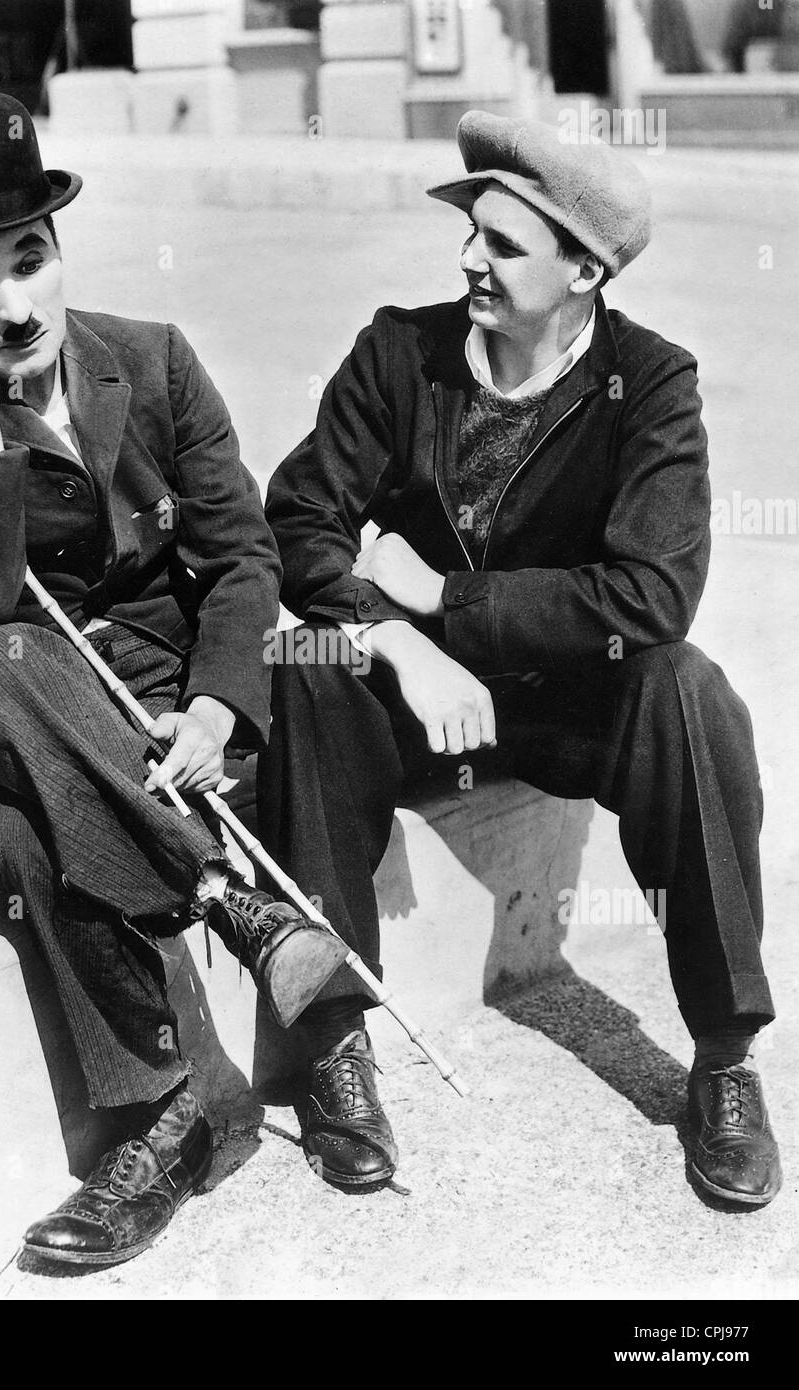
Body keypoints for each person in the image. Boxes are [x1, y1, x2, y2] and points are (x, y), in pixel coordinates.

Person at [0, 90, 347, 1269]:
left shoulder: (154, 361)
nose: (17, 305)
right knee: (1, 656)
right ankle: (229, 897)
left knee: (39, 833)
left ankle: (164, 1120)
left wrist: (216, 702)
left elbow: (243, 555)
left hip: (147, 714)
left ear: (59, 246)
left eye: (30, 260)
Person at [259, 110, 782, 1207]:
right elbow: (298, 517)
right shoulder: (399, 354)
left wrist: (447, 597)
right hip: (414, 707)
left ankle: (725, 1057)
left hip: (562, 706)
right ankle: (336, 1044)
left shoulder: (651, 384)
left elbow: (652, 595)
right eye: (470, 233)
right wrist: (399, 639)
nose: (468, 260)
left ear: (585, 271)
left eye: (501, 244)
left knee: (688, 690)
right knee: (308, 660)